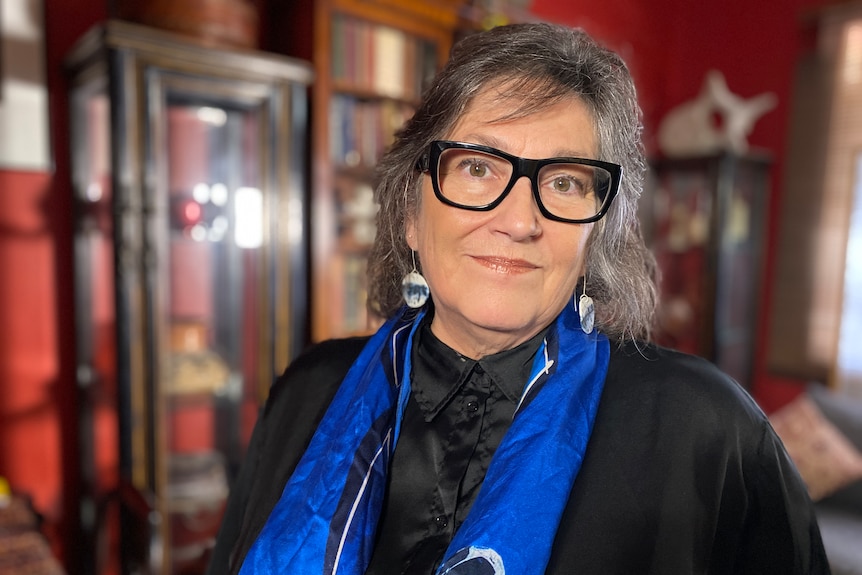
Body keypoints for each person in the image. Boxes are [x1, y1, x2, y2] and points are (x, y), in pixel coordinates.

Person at [208, 23, 829, 575]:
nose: (517, 219)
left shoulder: (706, 428)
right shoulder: (307, 393)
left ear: (597, 234)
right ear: (409, 214)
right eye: (477, 167)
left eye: (562, 182)